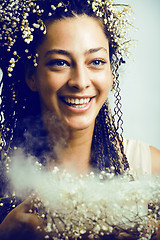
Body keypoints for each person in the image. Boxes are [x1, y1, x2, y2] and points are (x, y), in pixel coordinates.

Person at [0, 0, 160, 239]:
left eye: (96, 62)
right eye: (60, 63)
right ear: (31, 76)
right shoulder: (6, 172)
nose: (80, 81)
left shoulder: (150, 168)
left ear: (111, 73)